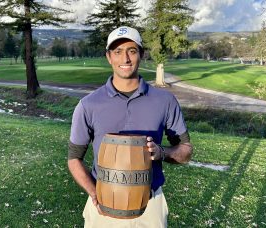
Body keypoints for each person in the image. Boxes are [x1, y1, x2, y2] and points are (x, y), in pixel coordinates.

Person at [68, 26, 193, 228]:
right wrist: (94, 193)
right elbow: (74, 158)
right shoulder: (88, 104)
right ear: (109, 57)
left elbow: (186, 151)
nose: (125, 59)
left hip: (150, 207)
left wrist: (161, 152)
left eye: (131, 51)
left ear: (141, 55)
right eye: (117, 52)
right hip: (102, 207)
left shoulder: (165, 101)